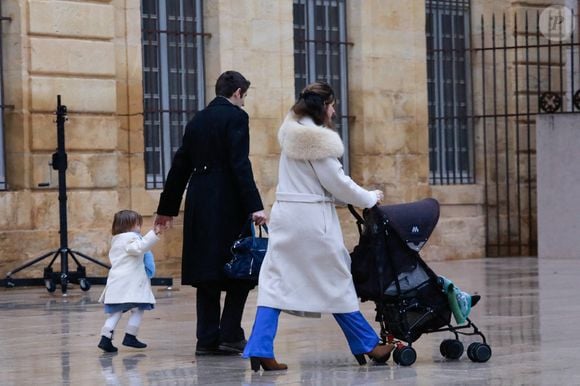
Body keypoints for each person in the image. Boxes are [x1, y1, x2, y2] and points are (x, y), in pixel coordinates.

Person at [242, 82, 394, 371]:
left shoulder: (291, 134)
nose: (335, 111)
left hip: (286, 216)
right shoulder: (317, 142)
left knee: (274, 282)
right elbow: (338, 183)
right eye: (332, 104)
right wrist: (369, 197)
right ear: (322, 106)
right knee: (336, 280)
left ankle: (260, 347)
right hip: (312, 222)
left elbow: (322, 183)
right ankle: (369, 345)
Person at [154, 71, 267, 356]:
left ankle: (206, 339)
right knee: (240, 267)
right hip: (227, 199)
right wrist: (255, 205)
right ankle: (230, 333)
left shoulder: (197, 120)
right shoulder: (237, 118)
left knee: (207, 272)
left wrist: (166, 208)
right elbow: (240, 164)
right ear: (238, 92)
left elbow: (180, 165)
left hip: (200, 198)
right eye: (245, 97)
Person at [97, 209, 164, 353]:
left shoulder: (116, 240)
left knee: (116, 312)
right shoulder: (130, 238)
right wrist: (154, 233)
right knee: (139, 308)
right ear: (129, 226)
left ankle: (105, 338)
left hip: (118, 283)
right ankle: (130, 335)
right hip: (130, 284)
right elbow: (139, 248)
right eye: (138, 225)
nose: (140, 228)